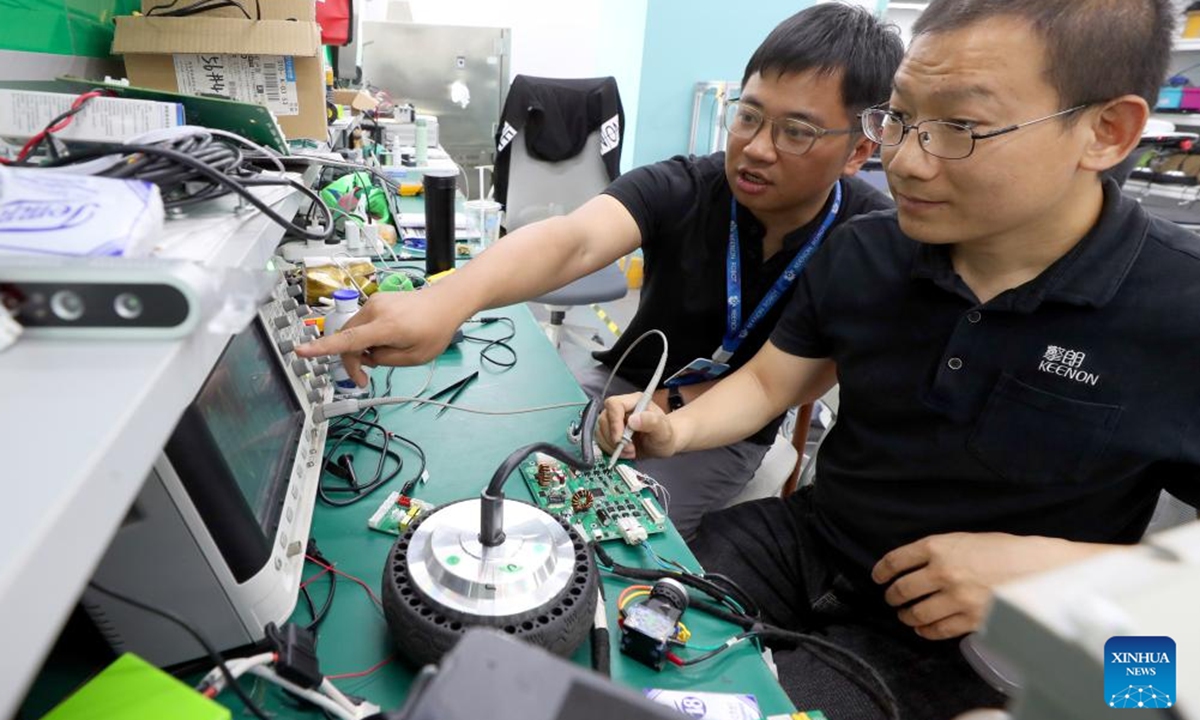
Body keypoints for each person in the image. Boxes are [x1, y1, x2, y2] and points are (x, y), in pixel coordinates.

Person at [597, 0, 1197, 718]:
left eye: (961, 128)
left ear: (1106, 131)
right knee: (609, 613)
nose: (903, 160)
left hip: (960, 637)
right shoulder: (868, 250)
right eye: (901, 119)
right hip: (809, 545)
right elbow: (767, 382)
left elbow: (1158, 659)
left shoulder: (1179, 308)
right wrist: (677, 428)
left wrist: (1060, 570)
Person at [298, 4, 903, 537]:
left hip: (720, 428)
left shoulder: (869, 239)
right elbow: (573, 240)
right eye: (747, 116)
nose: (758, 147)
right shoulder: (688, 184)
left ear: (857, 150)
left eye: (796, 132)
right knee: (512, 496)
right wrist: (449, 299)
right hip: (615, 392)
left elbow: (790, 382)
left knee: (615, 544)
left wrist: (674, 421)